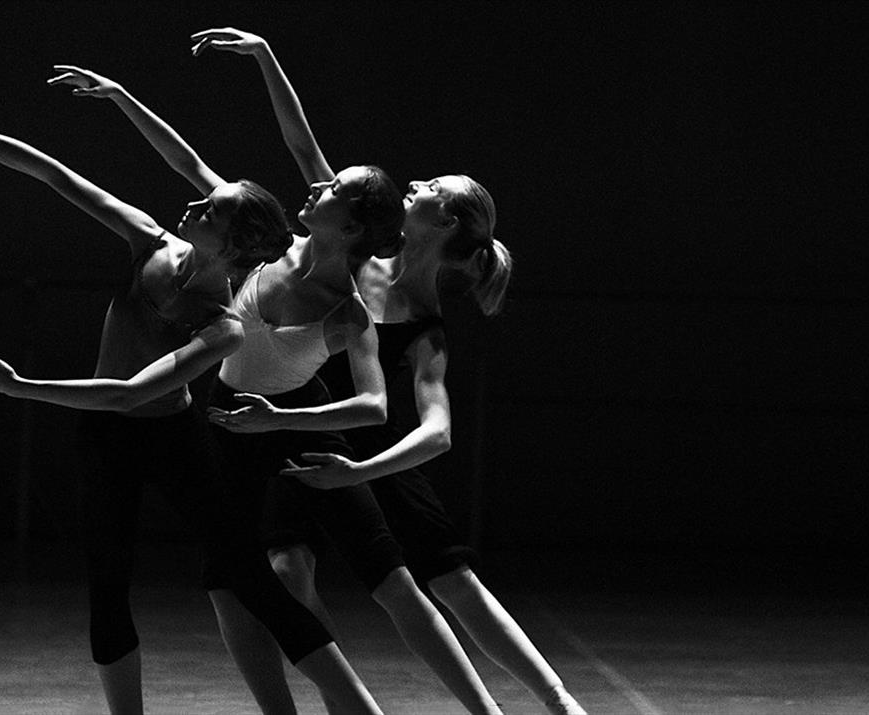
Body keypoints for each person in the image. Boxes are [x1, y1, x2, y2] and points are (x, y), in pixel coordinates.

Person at [0, 108, 382, 714]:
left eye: (210, 212)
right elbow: (56, 175)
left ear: (232, 246)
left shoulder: (223, 326)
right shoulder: (149, 239)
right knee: (108, 586)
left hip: (175, 440)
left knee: (249, 576)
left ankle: (358, 707)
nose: (193, 207)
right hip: (107, 440)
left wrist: (20, 387)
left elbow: (131, 391)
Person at [191, 27, 587, 715]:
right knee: (286, 567)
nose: (414, 183)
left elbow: (435, 432)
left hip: (370, 447)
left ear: (447, 219)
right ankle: (344, 700)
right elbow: (302, 145)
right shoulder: (353, 256)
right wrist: (265, 56)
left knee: (445, 578)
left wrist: (363, 470)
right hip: (302, 425)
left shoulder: (425, 324)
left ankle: (552, 702)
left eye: (430, 187)